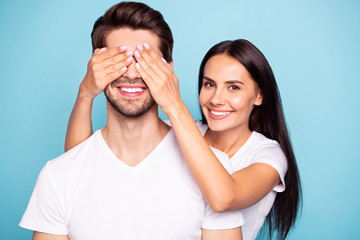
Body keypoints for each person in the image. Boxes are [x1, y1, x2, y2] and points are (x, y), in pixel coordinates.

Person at [19, 2, 245, 240]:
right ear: (96, 67)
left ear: (168, 69)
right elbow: (80, 162)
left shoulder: (213, 172)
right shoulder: (58, 176)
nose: (132, 74)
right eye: (120, 60)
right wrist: (85, 91)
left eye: (145, 61)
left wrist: (172, 99)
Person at [65, 38, 302, 240]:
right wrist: (86, 93)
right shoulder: (176, 132)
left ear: (259, 95)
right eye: (209, 84)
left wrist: (173, 104)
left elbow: (223, 198)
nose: (217, 99)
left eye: (233, 88)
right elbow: (78, 166)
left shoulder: (268, 156)